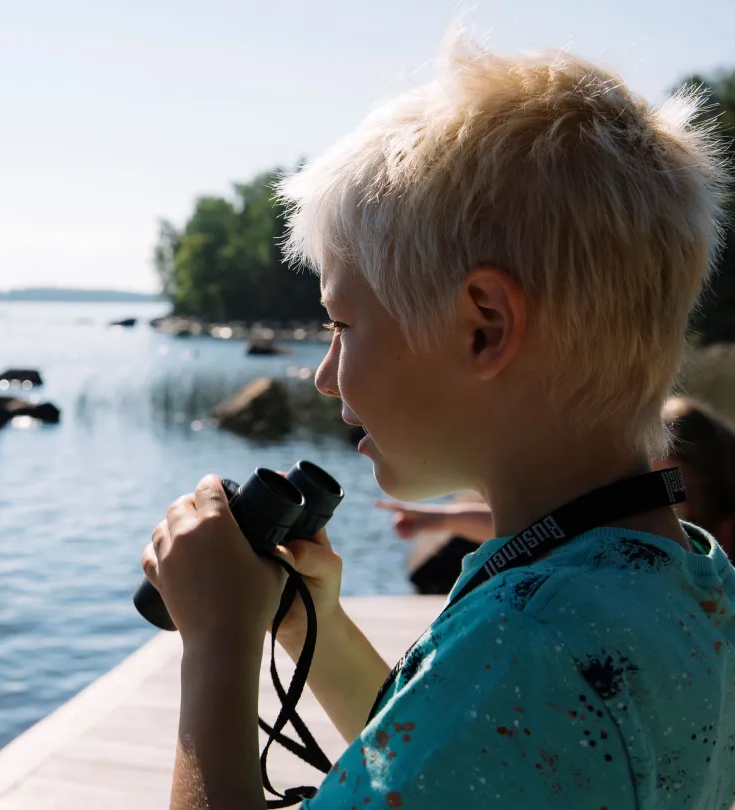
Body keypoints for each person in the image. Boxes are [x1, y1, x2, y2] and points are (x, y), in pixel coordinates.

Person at [140, 30, 735, 810]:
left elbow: (496, 719)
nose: (324, 375)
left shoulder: (525, 650)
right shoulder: (688, 581)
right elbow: (465, 767)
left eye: (342, 327)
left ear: (482, 326)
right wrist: (306, 628)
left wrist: (217, 644)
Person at [382, 396, 735, 594]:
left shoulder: (692, 512)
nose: (638, 460)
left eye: (650, 450)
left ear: (696, 461)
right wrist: (436, 519)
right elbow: (540, 530)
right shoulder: (648, 505)